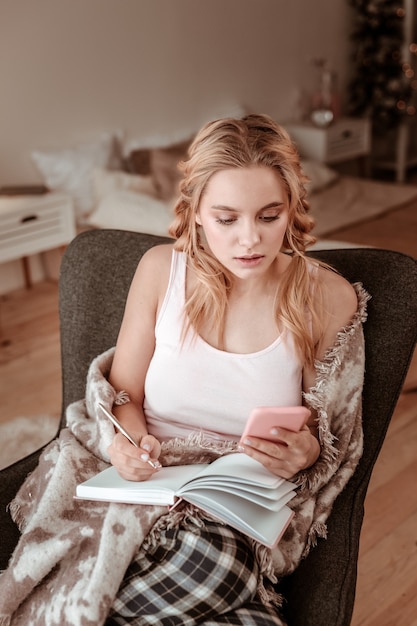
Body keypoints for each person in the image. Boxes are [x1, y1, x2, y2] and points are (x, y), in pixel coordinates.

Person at [102, 114, 361, 625]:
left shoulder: (325, 296)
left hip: (237, 506)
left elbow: (326, 427)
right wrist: (127, 443)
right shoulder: (160, 270)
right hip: (152, 491)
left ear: (292, 209)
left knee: (213, 563)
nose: (250, 241)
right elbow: (123, 392)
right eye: (226, 219)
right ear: (195, 210)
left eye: (269, 216)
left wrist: (307, 451)